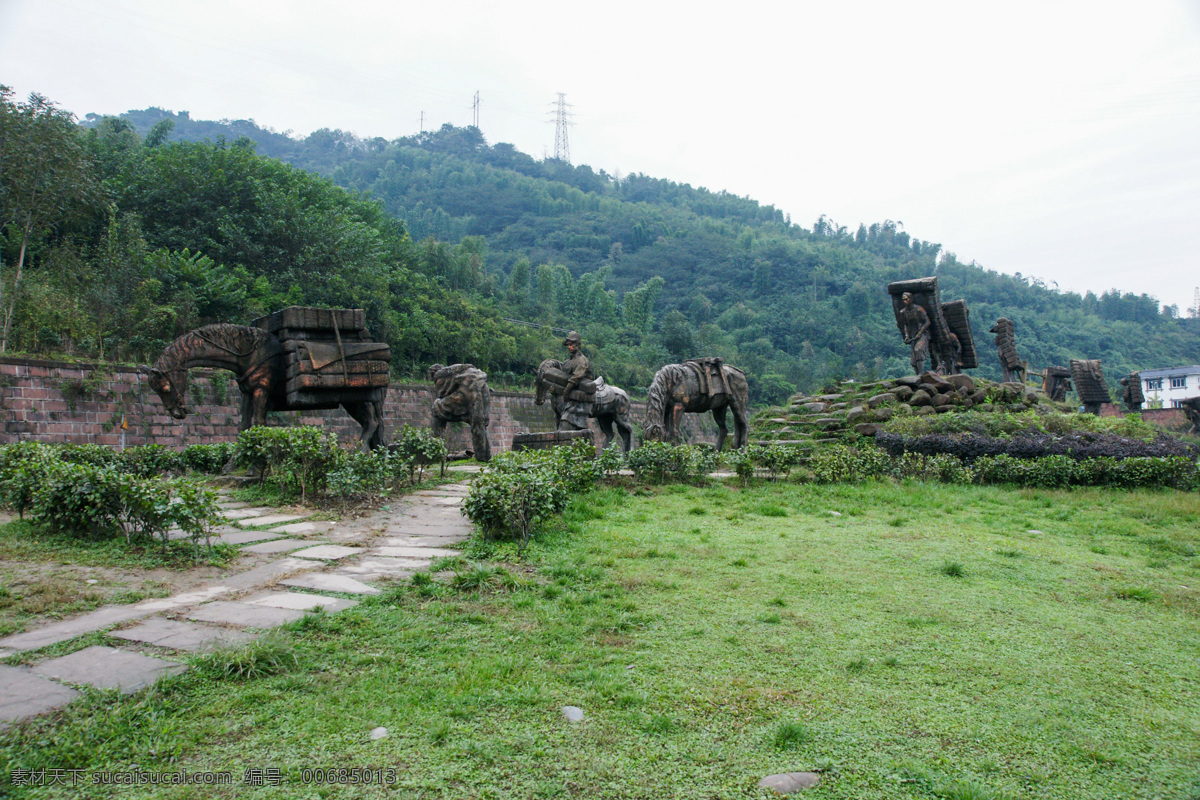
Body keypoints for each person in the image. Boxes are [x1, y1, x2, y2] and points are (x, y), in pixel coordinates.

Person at [558, 331, 595, 431]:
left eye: (571, 345)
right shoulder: (568, 361)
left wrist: (566, 391)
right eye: (568, 345)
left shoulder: (582, 360)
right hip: (570, 396)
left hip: (580, 397)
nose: (569, 347)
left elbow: (576, 377)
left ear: (577, 345)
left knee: (567, 425)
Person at [899, 292, 931, 375]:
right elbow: (905, 324)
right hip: (913, 335)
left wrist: (920, 333)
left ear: (911, 299)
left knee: (918, 349)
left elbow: (927, 322)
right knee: (913, 357)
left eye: (906, 299)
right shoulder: (903, 312)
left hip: (922, 334)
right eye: (903, 300)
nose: (905, 301)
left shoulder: (918, 309)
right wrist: (907, 335)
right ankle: (917, 375)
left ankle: (921, 373)